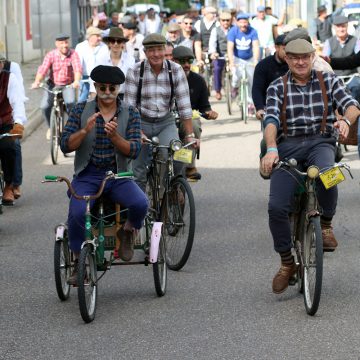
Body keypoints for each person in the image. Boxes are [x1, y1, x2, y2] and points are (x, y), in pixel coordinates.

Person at [260, 39, 360, 294]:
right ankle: (286, 263)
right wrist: (271, 149)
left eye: (305, 57)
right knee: (276, 207)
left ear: (313, 56)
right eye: (294, 57)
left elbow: (352, 106)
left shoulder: (328, 80)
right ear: (287, 59)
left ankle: (325, 224)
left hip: (320, 142)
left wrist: (346, 122)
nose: (300, 62)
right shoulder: (277, 86)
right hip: (288, 146)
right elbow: (270, 119)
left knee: (329, 174)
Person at [60, 65, 148, 283]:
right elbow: (65, 145)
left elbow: (135, 149)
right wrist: (84, 131)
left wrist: (115, 138)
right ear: (96, 87)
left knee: (140, 204)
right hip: (87, 175)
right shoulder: (81, 110)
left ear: (118, 88)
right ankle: (79, 263)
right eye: (102, 87)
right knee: (78, 212)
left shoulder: (131, 112)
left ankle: (127, 232)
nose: (107, 91)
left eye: (112, 87)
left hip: (118, 174)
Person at [124, 34, 198, 192]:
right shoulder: (135, 71)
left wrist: (191, 135)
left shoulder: (176, 70)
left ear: (165, 50)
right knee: (139, 170)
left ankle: (172, 189)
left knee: (177, 156)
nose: (156, 54)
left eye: (159, 49)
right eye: (151, 50)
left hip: (166, 122)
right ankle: (141, 209)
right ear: (145, 52)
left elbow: (184, 106)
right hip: (141, 121)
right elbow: (129, 108)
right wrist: (137, 131)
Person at [172, 46, 218, 180]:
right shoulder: (166, 78)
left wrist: (209, 113)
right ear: (174, 61)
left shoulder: (198, 80)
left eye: (189, 61)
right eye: (182, 61)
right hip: (167, 118)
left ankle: (189, 166)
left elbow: (204, 107)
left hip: (187, 119)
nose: (186, 65)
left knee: (194, 125)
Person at [31, 34, 82, 138]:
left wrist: (76, 81)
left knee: (71, 102)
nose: (64, 45)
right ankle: (50, 127)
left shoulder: (73, 54)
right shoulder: (51, 55)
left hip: (67, 85)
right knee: (44, 106)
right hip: (52, 85)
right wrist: (37, 81)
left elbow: (77, 69)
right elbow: (43, 69)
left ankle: (72, 126)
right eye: (61, 43)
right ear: (57, 44)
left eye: (66, 42)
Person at [0, 53, 27, 199]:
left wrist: (18, 123)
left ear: (2, 64)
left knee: (9, 147)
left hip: (5, 122)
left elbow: (17, 102)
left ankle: (10, 185)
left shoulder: (9, 78)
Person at [322, 15, 360, 101]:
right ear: (334, 28)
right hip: (335, 76)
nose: (341, 29)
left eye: (343, 26)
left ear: (347, 26)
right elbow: (325, 61)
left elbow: (358, 58)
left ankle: (356, 111)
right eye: (338, 27)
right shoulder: (329, 42)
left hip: (352, 75)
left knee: (357, 87)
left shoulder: (355, 40)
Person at [91, 27, 134, 99]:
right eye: (112, 41)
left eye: (119, 41)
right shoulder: (101, 58)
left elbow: (132, 83)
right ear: (109, 43)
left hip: (124, 97)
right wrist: (92, 102)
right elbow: (93, 81)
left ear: (123, 43)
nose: (116, 44)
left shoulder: (130, 60)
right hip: (104, 97)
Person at [252, 34, 288, 121]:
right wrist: (259, 108)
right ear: (276, 47)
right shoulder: (263, 65)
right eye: (284, 49)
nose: (288, 53)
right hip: (269, 108)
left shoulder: (294, 65)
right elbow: (257, 89)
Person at [227, 13, 259, 106]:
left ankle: (250, 103)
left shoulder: (253, 31)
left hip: (249, 58)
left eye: (245, 22)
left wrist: (255, 60)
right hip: (237, 58)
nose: (243, 25)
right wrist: (231, 62)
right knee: (236, 76)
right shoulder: (233, 31)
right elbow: (230, 48)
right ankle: (234, 88)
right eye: (241, 22)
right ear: (237, 23)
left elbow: (256, 46)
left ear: (248, 23)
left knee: (251, 80)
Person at [75, 26, 108, 103]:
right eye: (97, 36)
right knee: (81, 100)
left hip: (99, 78)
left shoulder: (104, 47)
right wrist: (78, 78)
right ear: (90, 36)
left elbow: (106, 63)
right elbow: (77, 64)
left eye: (100, 36)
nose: (100, 38)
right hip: (85, 77)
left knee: (99, 100)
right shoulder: (80, 47)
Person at [208, 11, 233, 100]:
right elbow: (212, 43)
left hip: (232, 54)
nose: (225, 22)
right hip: (220, 54)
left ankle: (235, 89)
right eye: (223, 20)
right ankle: (218, 90)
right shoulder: (215, 30)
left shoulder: (234, 29)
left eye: (227, 20)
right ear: (220, 21)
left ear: (231, 21)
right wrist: (213, 52)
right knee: (217, 69)